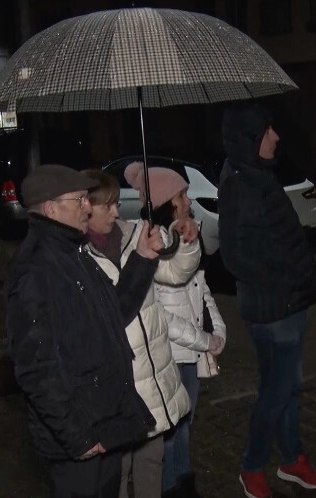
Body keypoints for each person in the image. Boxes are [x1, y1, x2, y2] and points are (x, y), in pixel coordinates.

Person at [4, 164, 166, 498]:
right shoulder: (36, 270)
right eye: (79, 200)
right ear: (51, 209)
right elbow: (36, 369)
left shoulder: (73, 254)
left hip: (103, 425)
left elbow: (113, 313)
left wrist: (142, 259)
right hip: (81, 439)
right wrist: (77, 436)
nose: (88, 207)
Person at [81, 167, 216, 498]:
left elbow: (175, 273)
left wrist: (186, 242)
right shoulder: (78, 257)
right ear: (85, 207)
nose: (117, 211)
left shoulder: (133, 234)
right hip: (119, 381)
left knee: (151, 460)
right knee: (119, 469)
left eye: (116, 203)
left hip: (152, 377)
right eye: (108, 205)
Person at [218, 102, 316, 498]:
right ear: (249, 137)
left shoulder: (258, 173)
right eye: (267, 130)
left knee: (290, 387)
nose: (276, 137)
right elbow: (235, 257)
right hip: (273, 310)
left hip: (290, 305)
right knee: (277, 391)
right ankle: (252, 466)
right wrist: (285, 281)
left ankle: (291, 458)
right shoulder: (239, 184)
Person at [130, 164, 228, 498]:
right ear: (165, 202)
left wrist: (218, 330)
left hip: (190, 354)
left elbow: (200, 289)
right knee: (171, 433)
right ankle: (172, 488)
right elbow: (164, 314)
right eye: (181, 195)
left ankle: (184, 482)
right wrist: (204, 340)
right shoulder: (153, 245)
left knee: (184, 426)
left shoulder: (182, 236)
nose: (188, 201)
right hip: (170, 356)